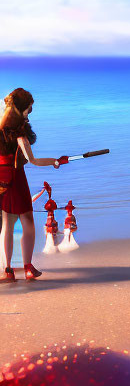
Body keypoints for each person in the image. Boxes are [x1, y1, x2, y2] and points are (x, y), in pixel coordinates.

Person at [0, 89, 68, 282]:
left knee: (7, 224)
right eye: (29, 107)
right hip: (17, 178)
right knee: (27, 222)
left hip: (1, 180)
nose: (31, 111)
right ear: (22, 108)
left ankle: (8, 271)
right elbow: (33, 160)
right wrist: (55, 161)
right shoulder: (19, 133)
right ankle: (28, 267)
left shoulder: (1, 130)